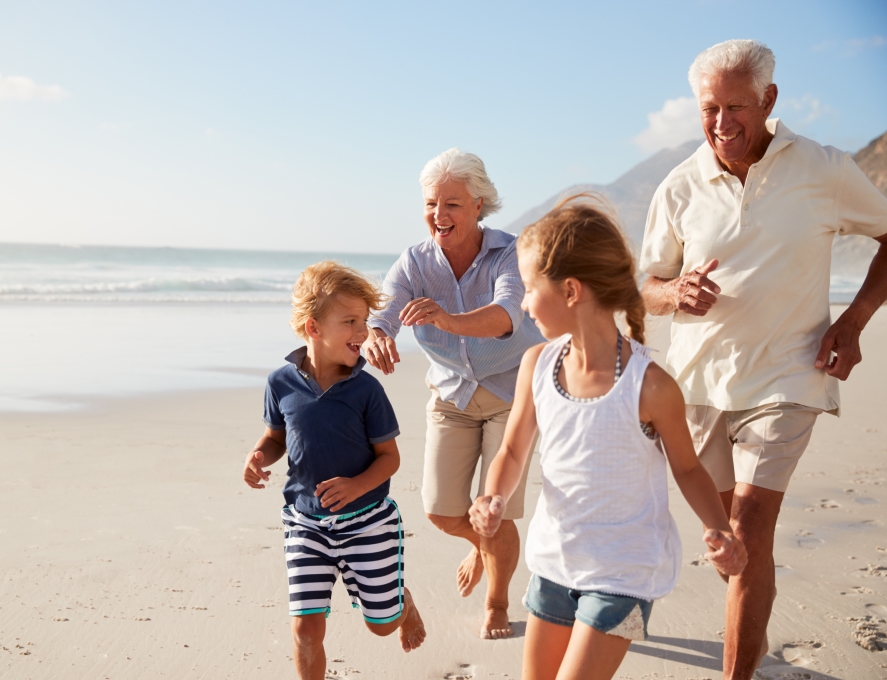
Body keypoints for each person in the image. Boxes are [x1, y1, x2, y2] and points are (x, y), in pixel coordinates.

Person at [639, 39, 887, 680]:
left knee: (748, 531)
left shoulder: (824, 169)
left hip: (789, 374)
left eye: (735, 108)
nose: (722, 124)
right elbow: (642, 287)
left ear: (770, 100)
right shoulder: (679, 185)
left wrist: (854, 320)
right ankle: (750, 634)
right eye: (709, 109)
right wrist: (672, 292)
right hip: (698, 385)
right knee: (733, 545)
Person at [468, 197, 747, 680]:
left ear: (571, 290)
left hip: (624, 574)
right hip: (554, 562)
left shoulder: (651, 386)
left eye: (531, 288)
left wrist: (720, 529)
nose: (524, 303)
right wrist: (492, 496)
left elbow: (687, 468)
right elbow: (513, 449)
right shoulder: (537, 365)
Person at [363, 148, 545, 639]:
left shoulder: (510, 252)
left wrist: (446, 318)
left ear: (479, 204)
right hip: (452, 397)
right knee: (443, 511)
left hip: (513, 394)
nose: (439, 216)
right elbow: (383, 310)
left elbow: (508, 313)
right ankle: (482, 544)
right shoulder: (415, 263)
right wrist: (377, 334)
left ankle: (497, 603)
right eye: (430, 204)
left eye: (453, 205)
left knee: (493, 509)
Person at [242, 261, 426, 680]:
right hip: (305, 521)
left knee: (381, 625)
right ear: (313, 328)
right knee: (306, 627)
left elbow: (390, 458)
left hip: (368, 523)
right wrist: (257, 456)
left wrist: (357, 485)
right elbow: (275, 438)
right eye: (350, 321)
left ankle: (403, 603)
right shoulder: (280, 383)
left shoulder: (366, 390)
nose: (363, 332)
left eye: (364, 321)